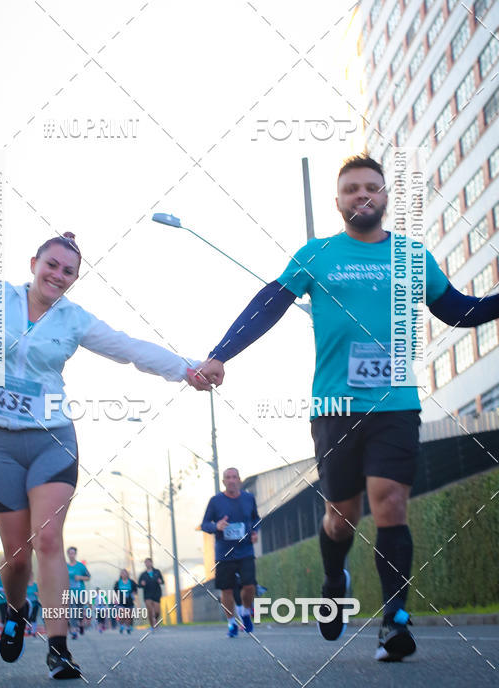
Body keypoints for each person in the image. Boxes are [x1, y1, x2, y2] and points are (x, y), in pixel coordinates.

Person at [196, 154, 499, 661]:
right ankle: (335, 579)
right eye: (352, 189)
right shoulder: (317, 255)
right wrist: (221, 353)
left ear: (384, 197)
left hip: (396, 404)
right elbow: (269, 304)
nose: (363, 195)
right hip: (334, 407)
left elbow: (459, 310)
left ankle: (394, 621)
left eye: (371, 188)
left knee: (390, 502)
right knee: (342, 516)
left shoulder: (412, 256)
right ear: (338, 203)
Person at [0, 232, 209, 680]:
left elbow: (129, 348)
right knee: (17, 556)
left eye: (68, 272)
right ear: (34, 263)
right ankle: (18, 609)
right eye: (52, 265)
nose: (58, 276)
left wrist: (188, 369)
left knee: (47, 541)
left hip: (52, 439)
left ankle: (59, 648)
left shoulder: (74, 320)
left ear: (74, 279)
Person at [201, 467, 260, 637]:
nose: (232, 480)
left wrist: (255, 532)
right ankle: (231, 623)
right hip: (224, 553)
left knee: (249, 586)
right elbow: (205, 524)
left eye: (234, 477)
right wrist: (216, 526)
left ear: (239, 480)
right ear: (224, 482)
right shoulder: (215, 501)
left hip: (246, 550)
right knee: (226, 590)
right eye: (228, 477)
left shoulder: (249, 498)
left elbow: (256, 518)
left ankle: (246, 613)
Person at [65, 547, 90, 640]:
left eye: (73, 553)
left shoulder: (81, 566)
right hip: (70, 593)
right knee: (72, 611)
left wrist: (80, 577)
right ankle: (74, 631)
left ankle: (81, 624)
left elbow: (88, 577)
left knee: (79, 611)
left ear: (75, 554)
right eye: (70, 553)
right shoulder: (65, 566)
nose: (71, 555)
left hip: (80, 592)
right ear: (68, 554)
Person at [138, 557, 165, 629]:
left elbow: (162, 581)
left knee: (157, 612)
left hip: (156, 593)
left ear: (151, 563)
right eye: (146, 562)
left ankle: (155, 620)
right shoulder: (143, 574)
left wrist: (160, 581)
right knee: (150, 610)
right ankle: (152, 625)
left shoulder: (157, 572)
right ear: (145, 564)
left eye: (148, 562)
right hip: (147, 595)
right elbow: (139, 585)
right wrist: (141, 584)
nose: (147, 564)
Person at [113, 569, 138, 634]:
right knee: (123, 615)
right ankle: (121, 625)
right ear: (120, 575)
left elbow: (135, 590)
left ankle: (128, 627)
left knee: (129, 616)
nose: (124, 574)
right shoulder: (118, 582)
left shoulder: (131, 582)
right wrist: (115, 599)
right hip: (121, 601)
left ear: (127, 574)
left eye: (125, 573)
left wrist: (134, 594)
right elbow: (115, 592)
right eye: (122, 573)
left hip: (129, 600)